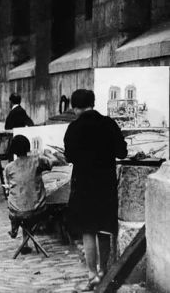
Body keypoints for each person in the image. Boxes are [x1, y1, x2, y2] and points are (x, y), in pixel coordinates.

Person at [64, 89, 127, 291]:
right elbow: (122, 152)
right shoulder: (109, 124)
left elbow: (69, 156)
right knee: (104, 228)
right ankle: (103, 271)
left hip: (83, 184)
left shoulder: (74, 128)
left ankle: (92, 275)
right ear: (93, 102)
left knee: (88, 229)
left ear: (75, 107)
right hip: (105, 184)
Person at [4, 135, 61, 253]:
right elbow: (55, 162)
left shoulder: (9, 168)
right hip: (38, 210)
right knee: (30, 199)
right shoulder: (37, 161)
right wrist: (48, 153)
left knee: (18, 199)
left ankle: (16, 230)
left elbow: (11, 185)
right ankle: (25, 239)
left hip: (17, 212)